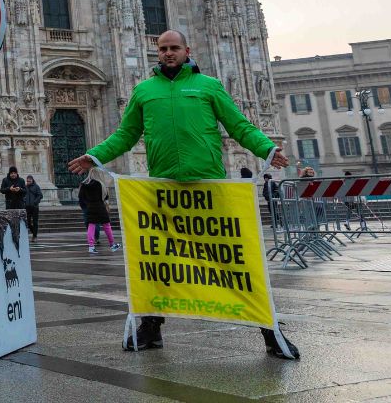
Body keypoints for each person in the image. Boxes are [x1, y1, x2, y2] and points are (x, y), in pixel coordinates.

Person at [67, 30, 298, 360]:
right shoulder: (145, 91)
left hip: (208, 188)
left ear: (187, 50)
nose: (168, 53)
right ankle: (151, 328)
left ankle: (270, 330)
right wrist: (96, 155)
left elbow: (239, 126)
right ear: (156, 53)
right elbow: (125, 135)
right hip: (166, 191)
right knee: (160, 263)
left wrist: (267, 148)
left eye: (174, 48)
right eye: (163, 49)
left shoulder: (208, 86)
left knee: (236, 261)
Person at [78, 177, 114, 252]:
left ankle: (91, 246)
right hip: (100, 206)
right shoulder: (100, 183)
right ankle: (112, 244)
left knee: (91, 226)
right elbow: (106, 196)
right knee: (107, 225)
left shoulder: (84, 185)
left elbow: (80, 197)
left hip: (90, 207)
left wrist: (85, 206)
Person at [22, 175, 43, 239]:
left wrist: (35, 202)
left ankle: (34, 236)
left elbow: (40, 195)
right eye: (27, 181)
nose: (28, 182)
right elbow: (23, 195)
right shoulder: (25, 187)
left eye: (29, 181)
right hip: (27, 207)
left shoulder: (36, 187)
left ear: (32, 180)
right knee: (27, 222)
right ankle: (34, 232)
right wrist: (24, 201)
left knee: (35, 222)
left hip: (34, 207)